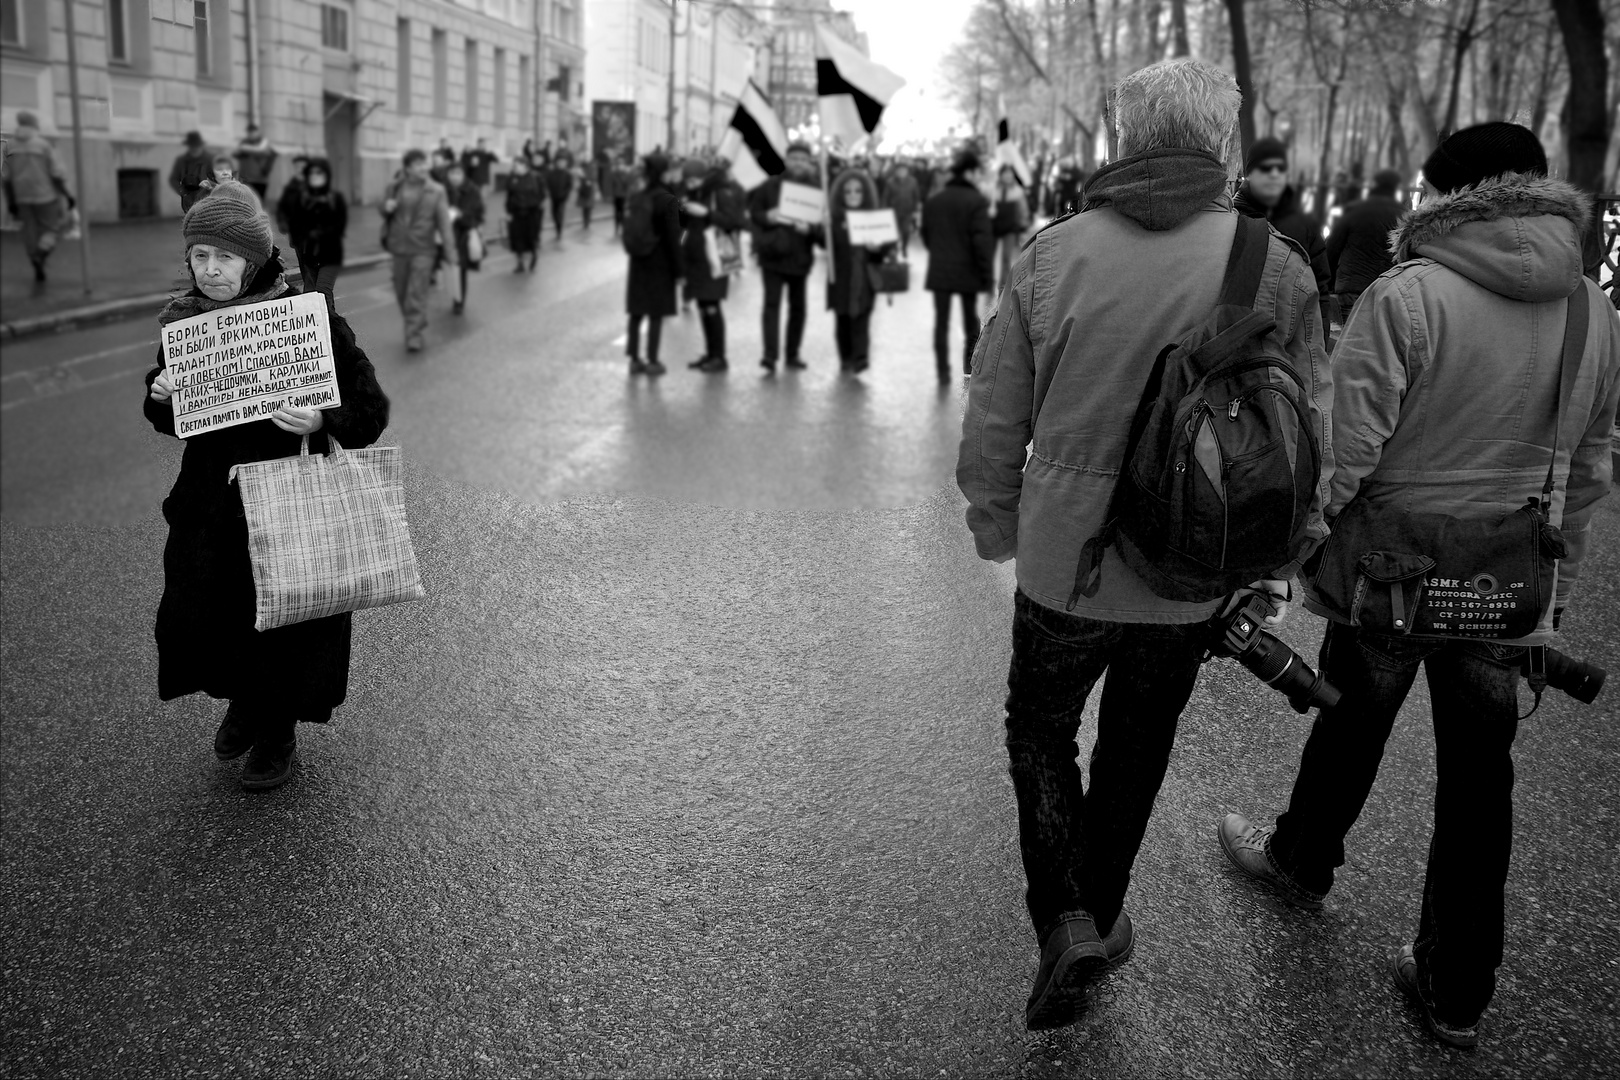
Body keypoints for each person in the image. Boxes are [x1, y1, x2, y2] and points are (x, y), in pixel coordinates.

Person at [1218, 122, 1620, 1052]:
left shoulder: (1406, 296)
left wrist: (1291, 555)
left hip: (1390, 572)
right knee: (1483, 784)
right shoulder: (1592, 312)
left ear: (1448, 196)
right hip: (1510, 577)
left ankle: (1301, 859)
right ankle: (1456, 988)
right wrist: (1552, 588)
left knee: (1351, 719)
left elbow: (1346, 455)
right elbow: (1591, 467)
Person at [957, 57, 1332, 1034]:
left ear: (1125, 138)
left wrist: (998, 525)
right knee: (1138, 739)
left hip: (1063, 568)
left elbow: (995, 415)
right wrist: (1287, 557)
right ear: (1221, 145)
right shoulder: (1275, 265)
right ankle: (1105, 903)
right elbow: (1310, 432)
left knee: (1038, 733)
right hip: (1192, 572)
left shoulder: (1051, 254)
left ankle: (1065, 918)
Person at [142, 182, 390, 792]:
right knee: (213, 617)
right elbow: (176, 419)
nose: (211, 270)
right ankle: (246, 703)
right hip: (213, 504)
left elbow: (368, 407)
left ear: (252, 259)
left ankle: (276, 730)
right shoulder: (187, 324)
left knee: (284, 620)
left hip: (288, 501)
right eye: (199, 257)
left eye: (224, 257)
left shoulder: (307, 317)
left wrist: (322, 419)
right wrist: (160, 394)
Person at [1236, 136, 1334, 331]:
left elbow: (1320, 288)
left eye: (1280, 168)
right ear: (1249, 173)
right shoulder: (1232, 217)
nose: (1273, 174)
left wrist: (1319, 340)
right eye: (1265, 168)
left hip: (1291, 338)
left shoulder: (1305, 223)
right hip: (1238, 333)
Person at [748, 140, 823, 373]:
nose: (798, 163)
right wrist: (768, 217)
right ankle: (770, 355)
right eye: (794, 158)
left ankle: (793, 353)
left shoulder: (816, 190)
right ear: (786, 160)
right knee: (771, 306)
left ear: (809, 163)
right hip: (773, 255)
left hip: (800, 258)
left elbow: (823, 231)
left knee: (798, 309)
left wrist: (810, 229)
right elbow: (753, 214)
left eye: (803, 159)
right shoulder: (770, 186)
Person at [922, 145, 994, 383]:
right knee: (969, 322)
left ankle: (942, 370)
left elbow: (925, 235)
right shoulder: (976, 201)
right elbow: (982, 241)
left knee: (941, 321)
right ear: (970, 172)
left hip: (941, 267)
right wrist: (986, 275)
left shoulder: (935, 201)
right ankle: (968, 371)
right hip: (968, 270)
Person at [381, 149, 456, 353]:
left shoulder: (437, 190)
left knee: (416, 292)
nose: (424, 168)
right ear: (407, 168)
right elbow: (383, 209)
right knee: (401, 291)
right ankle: (417, 319)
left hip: (423, 248)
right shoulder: (394, 187)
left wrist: (450, 252)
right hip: (399, 247)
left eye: (425, 163)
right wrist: (385, 207)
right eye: (418, 165)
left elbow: (444, 223)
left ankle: (413, 334)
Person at [679, 159, 746, 374]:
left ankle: (720, 357)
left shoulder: (719, 193)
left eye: (694, 179)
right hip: (698, 259)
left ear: (703, 177)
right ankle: (710, 353)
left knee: (712, 307)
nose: (690, 184)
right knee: (703, 307)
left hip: (715, 256)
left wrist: (705, 213)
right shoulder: (694, 193)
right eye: (687, 180)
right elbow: (688, 227)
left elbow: (734, 220)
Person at [826, 167, 893, 375]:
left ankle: (860, 357)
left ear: (865, 193)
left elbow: (885, 249)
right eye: (848, 191)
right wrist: (823, 227)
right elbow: (824, 244)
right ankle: (846, 357)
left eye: (858, 191)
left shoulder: (874, 218)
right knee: (843, 320)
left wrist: (878, 248)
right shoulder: (834, 221)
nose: (853, 195)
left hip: (865, 280)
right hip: (839, 278)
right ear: (840, 194)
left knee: (862, 319)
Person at [623, 153, 682, 376]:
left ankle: (634, 358)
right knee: (655, 314)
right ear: (663, 173)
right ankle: (653, 360)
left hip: (638, 261)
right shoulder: (667, 199)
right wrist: (680, 271)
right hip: (660, 262)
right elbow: (674, 239)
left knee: (636, 312)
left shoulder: (637, 196)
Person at [2, 110, 76, 283]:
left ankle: (34, 259)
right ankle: (41, 254)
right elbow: (56, 174)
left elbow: (5, 178)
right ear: (34, 124)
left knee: (29, 231)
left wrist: (11, 201)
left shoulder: (9, 145)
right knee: (52, 229)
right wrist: (67, 195)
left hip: (22, 197)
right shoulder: (43, 145)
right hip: (46, 196)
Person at [1325, 168, 1404, 322]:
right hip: (1388, 290)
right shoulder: (1406, 215)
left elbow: (1332, 248)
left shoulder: (1355, 210)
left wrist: (1327, 282)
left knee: (1350, 337)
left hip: (1353, 288)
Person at [283, 156, 347, 297]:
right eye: (312, 173)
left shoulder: (334, 197)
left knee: (323, 292)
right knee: (312, 293)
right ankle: (324, 317)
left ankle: (329, 317)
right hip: (308, 252)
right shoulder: (300, 194)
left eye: (319, 173)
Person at [442, 162, 484, 315]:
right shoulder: (442, 190)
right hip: (445, 235)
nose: (454, 177)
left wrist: (460, 215)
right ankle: (453, 295)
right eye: (452, 173)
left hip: (463, 236)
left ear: (464, 174)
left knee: (460, 269)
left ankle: (459, 302)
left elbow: (478, 216)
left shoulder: (473, 191)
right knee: (448, 267)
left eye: (458, 173)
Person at [992, 163, 1031, 296]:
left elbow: (1023, 210)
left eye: (1010, 173)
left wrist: (1023, 227)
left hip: (1010, 228)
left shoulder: (1017, 191)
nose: (1008, 176)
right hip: (993, 228)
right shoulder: (994, 190)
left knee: (1006, 257)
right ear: (1001, 175)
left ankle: (1002, 288)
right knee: (992, 257)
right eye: (1005, 173)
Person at [505, 155, 544, 272]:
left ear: (525, 166)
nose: (514, 167)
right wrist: (508, 211)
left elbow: (542, 195)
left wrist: (534, 204)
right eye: (514, 165)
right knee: (517, 239)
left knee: (531, 238)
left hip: (531, 213)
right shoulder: (512, 178)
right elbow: (509, 196)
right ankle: (520, 263)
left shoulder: (536, 177)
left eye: (517, 165)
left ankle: (534, 255)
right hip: (516, 213)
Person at [881, 160, 921, 257]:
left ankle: (904, 248)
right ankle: (894, 248)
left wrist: (916, 209)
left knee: (906, 231)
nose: (901, 172)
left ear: (907, 171)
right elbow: (885, 197)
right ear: (896, 171)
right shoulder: (890, 182)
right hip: (894, 211)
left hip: (907, 211)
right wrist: (885, 210)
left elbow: (916, 196)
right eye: (899, 170)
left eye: (904, 170)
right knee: (894, 232)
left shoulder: (913, 181)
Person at [169, 131, 214, 213]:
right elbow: (173, 179)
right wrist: (182, 192)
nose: (195, 148)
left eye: (197, 146)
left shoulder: (210, 160)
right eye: (192, 146)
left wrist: (211, 190)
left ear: (201, 145)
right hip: (188, 201)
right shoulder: (181, 160)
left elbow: (218, 178)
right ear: (189, 146)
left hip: (207, 200)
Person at [273, 153, 310, 249]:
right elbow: (282, 207)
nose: (300, 169)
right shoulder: (290, 188)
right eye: (297, 167)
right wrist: (282, 222)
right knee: (301, 256)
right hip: (296, 231)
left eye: (303, 167)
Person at [232, 123, 277, 200]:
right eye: (249, 132)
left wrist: (246, 148)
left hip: (260, 180)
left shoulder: (264, 144)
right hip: (246, 179)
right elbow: (235, 154)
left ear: (257, 132)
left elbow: (271, 155)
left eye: (253, 132)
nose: (251, 134)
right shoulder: (244, 142)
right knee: (246, 201)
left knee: (258, 202)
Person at [546, 157, 574, 241]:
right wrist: (550, 192)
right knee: (554, 214)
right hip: (554, 197)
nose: (561, 164)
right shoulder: (552, 173)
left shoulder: (567, 174)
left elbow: (569, 186)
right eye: (559, 162)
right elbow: (548, 183)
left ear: (565, 164)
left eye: (563, 162)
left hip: (562, 198)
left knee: (560, 214)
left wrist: (566, 195)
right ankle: (557, 227)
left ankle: (559, 231)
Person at [607, 155, 634, 236]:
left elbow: (629, 185)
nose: (620, 166)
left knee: (622, 212)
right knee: (616, 212)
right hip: (616, 195)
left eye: (621, 164)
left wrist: (629, 196)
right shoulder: (614, 173)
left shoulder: (626, 174)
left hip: (624, 196)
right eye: (618, 164)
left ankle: (622, 228)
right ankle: (616, 228)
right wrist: (610, 195)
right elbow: (610, 184)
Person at [577, 162, 596, 230]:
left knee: (588, 207)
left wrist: (583, 176)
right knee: (584, 208)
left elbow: (592, 179)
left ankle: (587, 222)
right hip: (583, 190)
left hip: (589, 190)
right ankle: (585, 222)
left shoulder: (592, 167)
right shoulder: (581, 167)